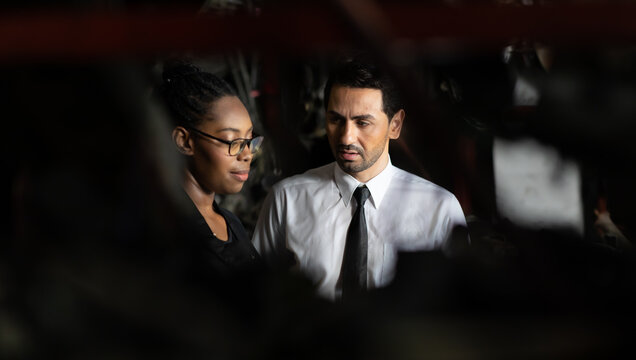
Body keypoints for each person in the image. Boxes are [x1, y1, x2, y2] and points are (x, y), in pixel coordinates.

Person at [252, 58, 468, 300]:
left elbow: (461, 308)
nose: (346, 137)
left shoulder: (439, 208)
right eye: (336, 120)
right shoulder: (287, 199)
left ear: (395, 125)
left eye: (362, 122)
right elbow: (258, 297)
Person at [160, 61, 264, 281]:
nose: (247, 154)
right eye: (233, 141)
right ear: (184, 141)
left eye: (249, 140)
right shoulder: (167, 235)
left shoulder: (230, 223)